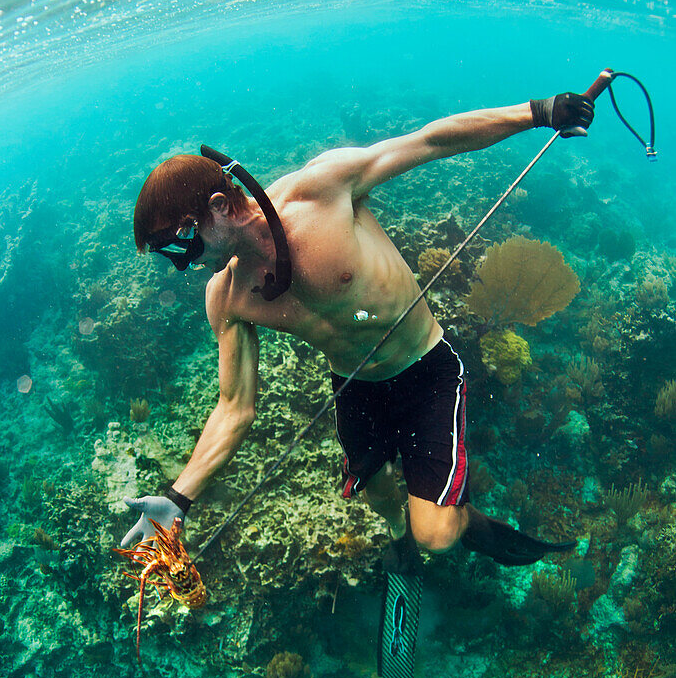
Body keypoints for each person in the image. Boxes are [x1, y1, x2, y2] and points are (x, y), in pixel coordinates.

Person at [123, 92, 593, 565]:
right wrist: (178, 497)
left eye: (181, 242)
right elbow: (234, 407)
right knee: (374, 492)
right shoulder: (226, 297)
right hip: (355, 386)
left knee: (438, 537)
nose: (183, 264)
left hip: (424, 368)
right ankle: (398, 535)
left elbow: (431, 141)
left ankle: (466, 522)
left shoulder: (320, 191)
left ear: (219, 205)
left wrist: (538, 113)